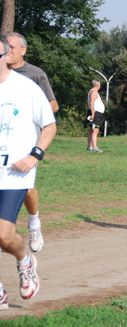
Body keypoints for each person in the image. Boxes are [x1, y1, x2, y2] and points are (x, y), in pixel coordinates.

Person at [0, 34, 56, 309]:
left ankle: (25, 262)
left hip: (14, 173)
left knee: (2, 234)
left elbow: (50, 125)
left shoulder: (26, 86)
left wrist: (35, 155)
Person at [6, 32, 58, 253]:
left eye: (12, 47)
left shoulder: (35, 75)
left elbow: (52, 107)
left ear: (23, 50)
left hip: (27, 141)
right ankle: (6, 233)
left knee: (27, 189)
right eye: (5, 47)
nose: (8, 51)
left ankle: (34, 224)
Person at [87, 79, 105, 152]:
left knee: (92, 130)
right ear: (98, 85)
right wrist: (93, 113)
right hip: (95, 112)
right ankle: (94, 147)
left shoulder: (92, 92)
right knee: (95, 130)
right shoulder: (93, 92)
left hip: (95, 112)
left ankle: (90, 147)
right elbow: (91, 102)